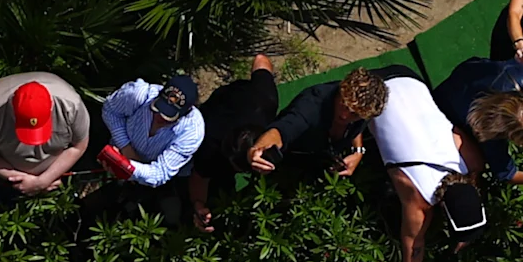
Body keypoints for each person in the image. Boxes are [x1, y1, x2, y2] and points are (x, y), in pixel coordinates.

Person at [366, 69, 482, 262]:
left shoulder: (471, 160)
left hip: (410, 78)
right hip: (370, 90)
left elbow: (471, 177)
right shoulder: (417, 201)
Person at [182, 55, 284, 231]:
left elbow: (261, 59)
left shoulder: (265, 100)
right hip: (214, 108)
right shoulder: (208, 142)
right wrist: (198, 204)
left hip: (241, 96)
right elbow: (199, 177)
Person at [436, 55, 523, 190]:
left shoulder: (512, 76)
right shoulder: (490, 138)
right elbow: (508, 175)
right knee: (477, 164)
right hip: (443, 113)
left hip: (454, 83)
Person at [0, 69, 88, 202]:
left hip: (56, 177)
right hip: (11, 179)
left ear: (51, 106)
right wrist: (21, 181)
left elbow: (79, 146)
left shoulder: (71, 105)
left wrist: (42, 181)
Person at [244, 69, 375, 186]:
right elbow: (282, 130)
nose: (345, 116)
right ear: (341, 90)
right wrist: (258, 148)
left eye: (355, 114)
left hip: (320, 154)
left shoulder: (366, 107)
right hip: (293, 155)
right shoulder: (310, 107)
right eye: (344, 105)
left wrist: (358, 151)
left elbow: (358, 125)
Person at [92, 72, 201, 211]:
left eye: (168, 116)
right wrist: (125, 147)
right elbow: (110, 111)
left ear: (185, 115)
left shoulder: (192, 132)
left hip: (152, 174)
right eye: (157, 108)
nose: (159, 116)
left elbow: (160, 172)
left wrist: (127, 167)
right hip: (118, 150)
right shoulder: (137, 94)